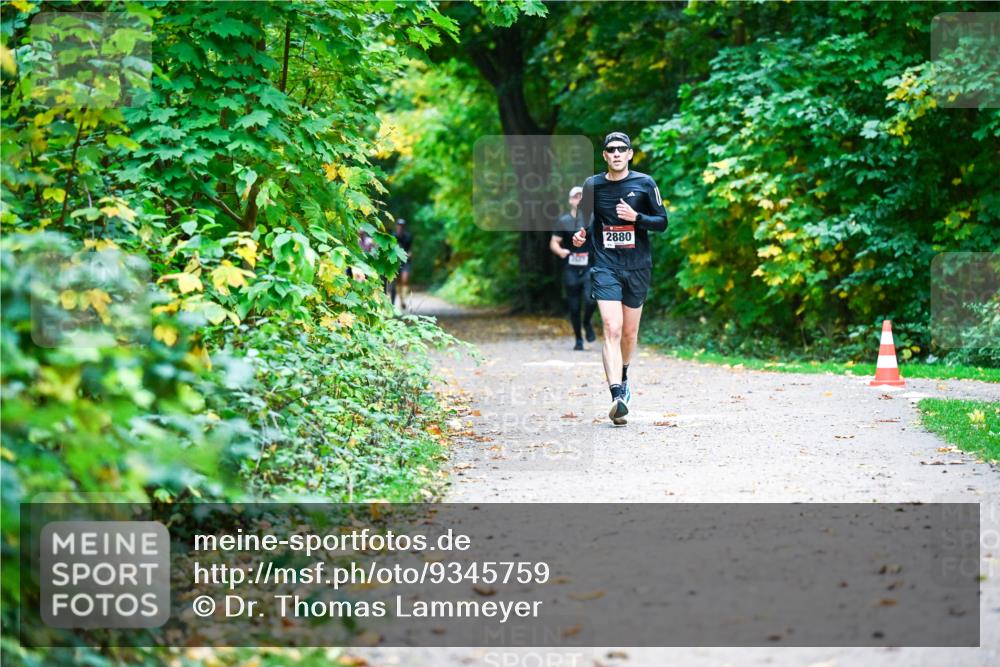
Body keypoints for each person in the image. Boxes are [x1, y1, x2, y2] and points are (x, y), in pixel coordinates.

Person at [573, 132, 668, 425]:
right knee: (612, 328)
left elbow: (662, 222)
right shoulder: (593, 185)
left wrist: (636, 217)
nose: (616, 153)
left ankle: (624, 378)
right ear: (604, 155)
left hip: (638, 266)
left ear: (630, 154)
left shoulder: (645, 183)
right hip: (606, 266)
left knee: (629, 333)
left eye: (621, 149)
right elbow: (583, 219)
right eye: (610, 149)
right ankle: (616, 396)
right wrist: (579, 234)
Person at [550, 186, 597, 350]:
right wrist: (560, 250)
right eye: (576, 197)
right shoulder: (564, 221)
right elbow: (554, 242)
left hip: (590, 266)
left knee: (591, 300)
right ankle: (578, 339)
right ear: (570, 200)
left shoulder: (593, 219)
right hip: (571, 268)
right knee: (574, 306)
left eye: (582, 197)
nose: (579, 199)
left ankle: (587, 323)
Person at [390, 218, 412, 310]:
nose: (400, 227)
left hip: (405, 260)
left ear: (404, 227)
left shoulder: (408, 237)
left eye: (402, 226)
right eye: (399, 225)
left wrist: (409, 254)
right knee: (397, 282)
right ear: (397, 226)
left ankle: (403, 300)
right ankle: (401, 300)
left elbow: (410, 250)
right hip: (395, 261)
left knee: (404, 279)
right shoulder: (393, 236)